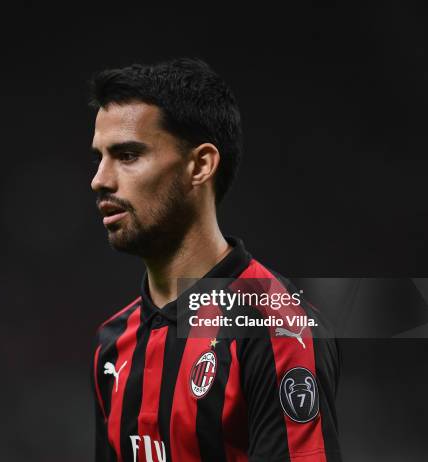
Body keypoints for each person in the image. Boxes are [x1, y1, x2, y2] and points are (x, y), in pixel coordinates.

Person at [89, 58, 341, 462]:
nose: (100, 179)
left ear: (200, 165)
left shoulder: (276, 330)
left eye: (128, 155)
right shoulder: (111, 345)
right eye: (100, 157)